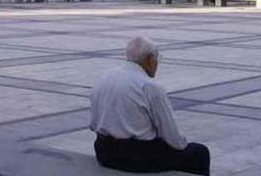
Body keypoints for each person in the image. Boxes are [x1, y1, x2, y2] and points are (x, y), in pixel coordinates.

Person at [90, 37, 210, 175]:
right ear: (150, 59)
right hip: (136, 158)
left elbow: (93, 123)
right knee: (199, 153)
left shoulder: (105, 78)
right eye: (157, 58)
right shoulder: (149, 87)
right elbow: (175, 140)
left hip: (104, 151)